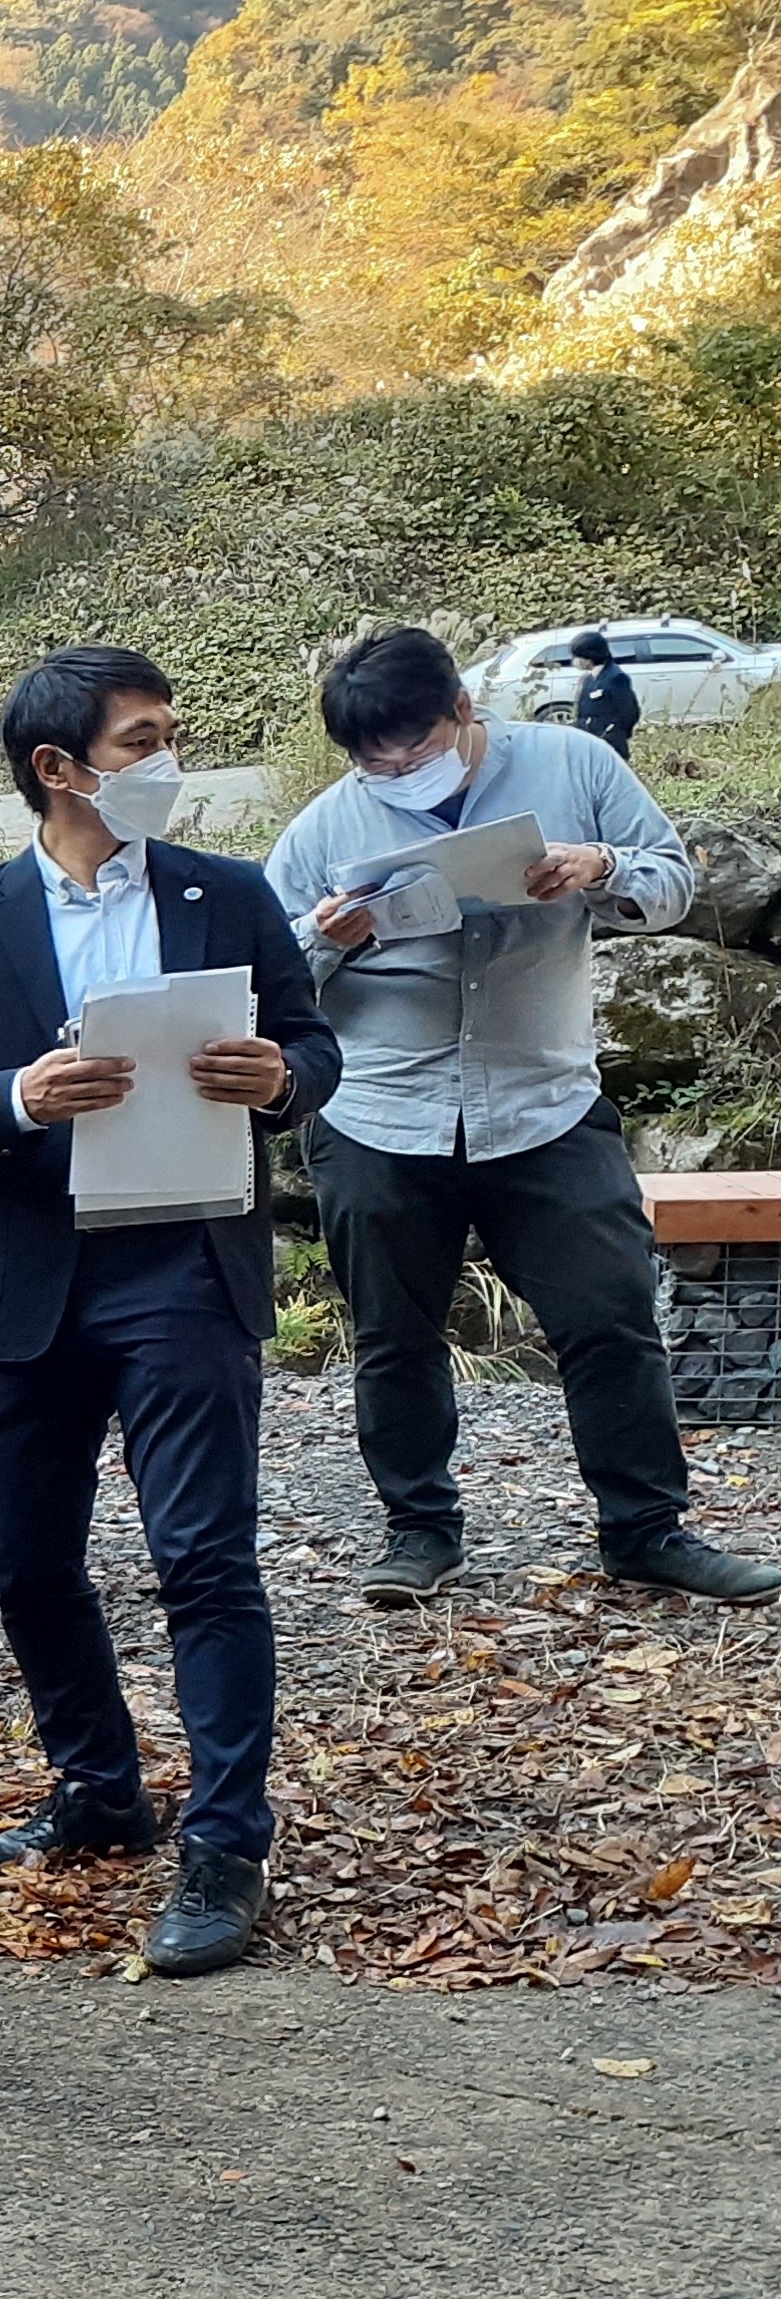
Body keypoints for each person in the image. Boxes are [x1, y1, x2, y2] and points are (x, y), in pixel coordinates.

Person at [0, 646, 340, 1979]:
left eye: (170, 735)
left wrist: (277, 1080)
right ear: (57, 768)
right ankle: (98, 1790)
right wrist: (16, 1097)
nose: (167, 761)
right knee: (26, 1562)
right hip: (20, 1277)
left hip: (184, 1265)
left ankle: (227, 1844)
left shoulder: (227, 895)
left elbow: (314, 1048)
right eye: (142, 741)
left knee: (205, 1559)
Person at [265, 625, 773, 1607]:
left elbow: (672, 881)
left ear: (463, 710)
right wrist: (327, 936)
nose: (395, 773)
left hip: (545, 1101)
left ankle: (647, 1530)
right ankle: (419, 1532)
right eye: (373, 762)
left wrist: (599, 867)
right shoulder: (327, 827)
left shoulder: (575, 764)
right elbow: (272, 976)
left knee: (610, 1319)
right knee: (394, 1337)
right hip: (383, 1111)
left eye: (413, 750)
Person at [567, 630, 643, 763]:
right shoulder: (588, 679)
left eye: (579, 657)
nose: (576, 661)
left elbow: (629, 712)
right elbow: (583, 713)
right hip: (589, 743)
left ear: (591, 656)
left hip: (610, 745)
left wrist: (613, 734)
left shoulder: (616, 677)